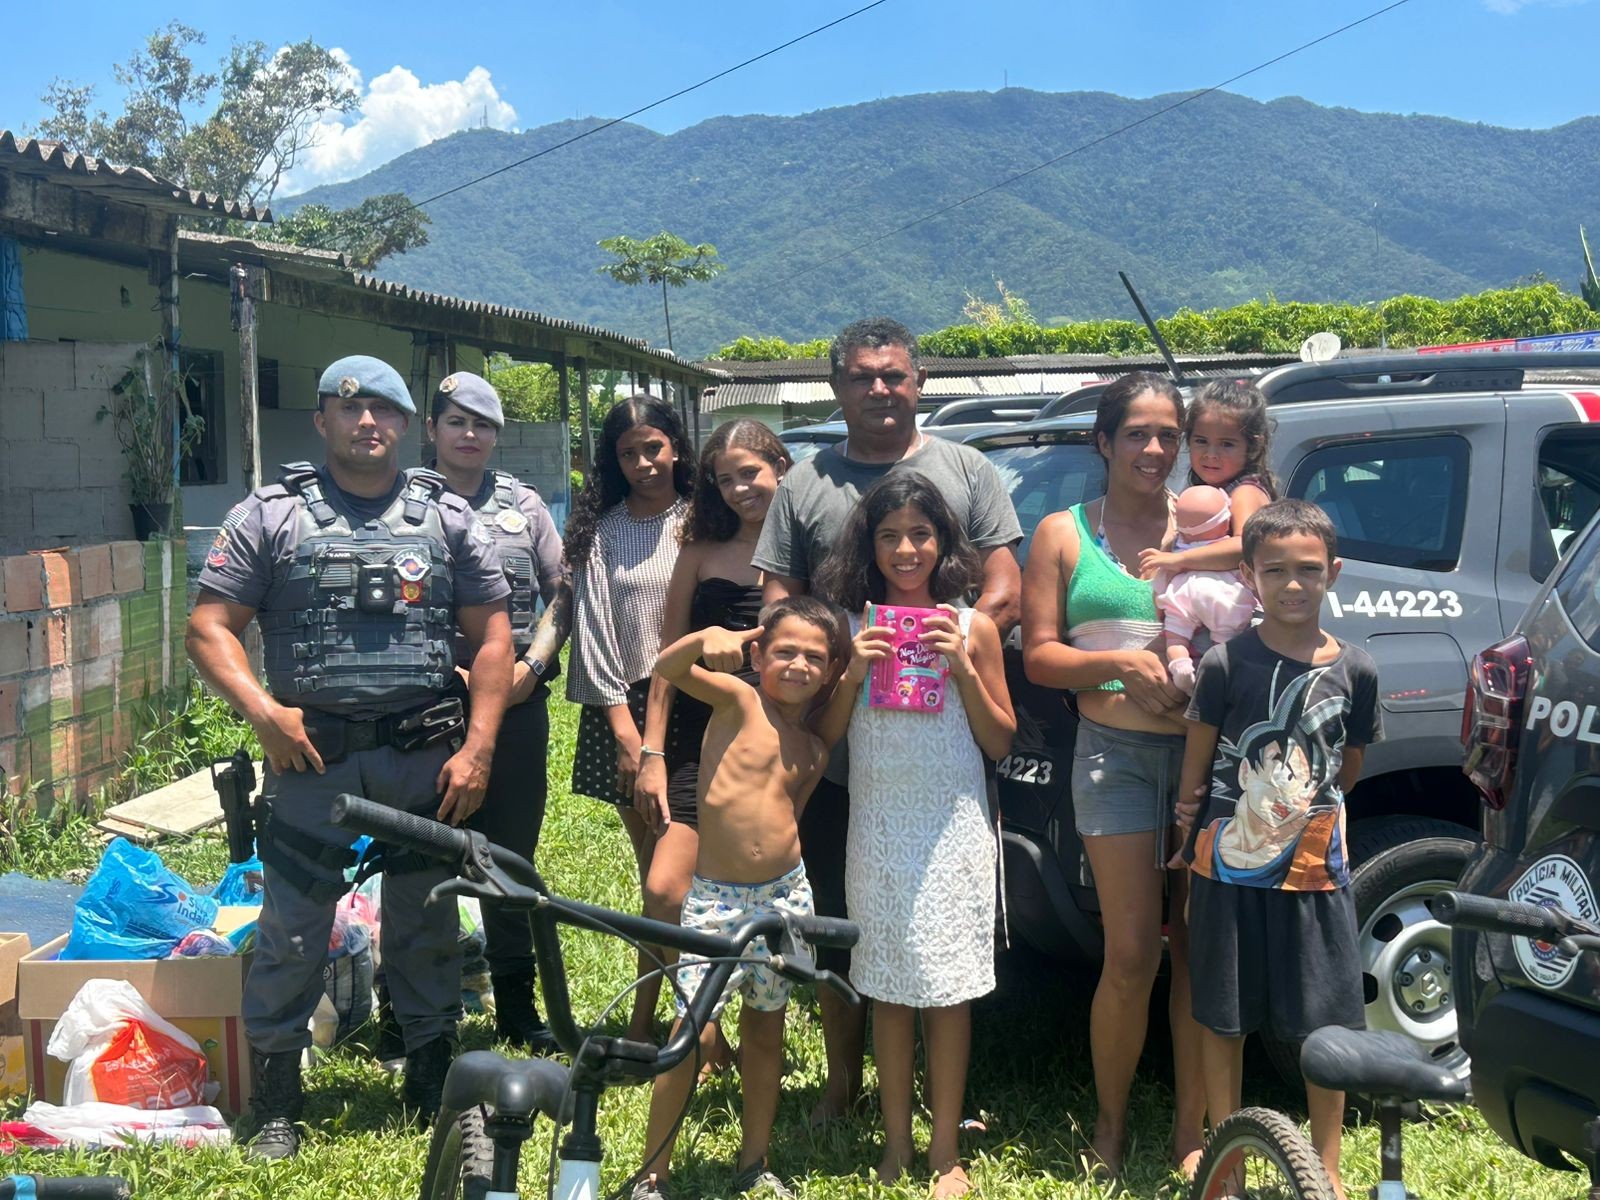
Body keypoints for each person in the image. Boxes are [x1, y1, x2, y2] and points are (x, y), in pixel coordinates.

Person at [185, 355, 513, 1158]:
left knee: (427, 919)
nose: (367, 421)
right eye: (349, 406)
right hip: (311, 761)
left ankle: (430, 1070)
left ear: (406, 426)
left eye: (384, 410)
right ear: (323, 421)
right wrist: (263, 713)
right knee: (294, 926)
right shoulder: (272, 517)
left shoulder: (447, 520)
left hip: (422, 756)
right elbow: (209, 626)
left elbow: (495, 636)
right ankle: (276, 1102)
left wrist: (478, 747)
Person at [754, 316, 1022, 1123]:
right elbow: (779, 603)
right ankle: (844, 1086)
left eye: (894, 375)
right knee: (846, 926)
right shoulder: (805, 483)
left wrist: (959, 647)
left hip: (939, 757)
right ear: (837, 387)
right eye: (862, 376)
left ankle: (935, 1123)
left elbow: (1003, 586)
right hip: (849, 761)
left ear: (919, 381)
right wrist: (834, 666)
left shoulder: (965, 468)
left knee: (932, 947)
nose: (879, 389)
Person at [1018, 371, 1204, 1178]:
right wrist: (1125, 663)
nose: (1155, 450)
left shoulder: (1208, 526)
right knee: (1132, 955)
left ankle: (1194, 1137)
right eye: (1137, 433)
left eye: (1169, 435)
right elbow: (1040, 657)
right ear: (1103, 441)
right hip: (1115, 760)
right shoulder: (1063, 532)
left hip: (1203, 763)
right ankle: (1110, 1124)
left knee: (1197, 952)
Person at [812, 474, 1015, 1198]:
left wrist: (962, 668)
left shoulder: (972, 626)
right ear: (868, 545)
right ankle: (896, 1144)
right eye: (890, 535)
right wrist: (851, 673)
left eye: (921, 534)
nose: (906, 549)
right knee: (890, 990)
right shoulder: (849, 626)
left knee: (947, 991)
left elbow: (999, 741)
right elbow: (827, 737)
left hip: (951, 828)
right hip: (877, 827)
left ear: (945, 542)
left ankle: (944, 1151)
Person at [1171, 500, 1379, 1200]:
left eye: (1309, 571)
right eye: (1276, 571)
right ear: (1249, 576)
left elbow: (1345, 767)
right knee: (1223, 1016)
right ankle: (1227, 1154)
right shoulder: (1228, 662)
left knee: (1324, 1026)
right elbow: (1196, 769)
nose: (1293, 585)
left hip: (1318, 874)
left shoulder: (1358, 668)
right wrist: (1186, 836)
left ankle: (1328, 1166)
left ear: (1335, 574)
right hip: (1226, 870)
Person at [632, 596, 850, 1200]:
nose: (799, 665)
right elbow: (669, 669)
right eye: (785, 651)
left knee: (766, 1027)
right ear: (758, 654)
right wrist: (706, 637)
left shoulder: (813, 750)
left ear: (831, 671)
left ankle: (755, 1161)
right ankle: (653, 1170)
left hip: (785, 898)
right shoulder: (740, 701)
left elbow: (791, 822)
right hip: (717, 899)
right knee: (688, 1028)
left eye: (815, 657)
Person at [635, 420, 793, 1076]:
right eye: (724, 478)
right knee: (667, 890)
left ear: (780, 465)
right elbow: (663, 658)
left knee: (762, 898)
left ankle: (753, 1039)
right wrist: (652, 752)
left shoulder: (804, 548)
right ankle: (697, 1030)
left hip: (772, 740)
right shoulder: (698, 551)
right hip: (695, 739)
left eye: (749, 472)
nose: (737, 489)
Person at [425, 371, 570, 1052]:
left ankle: (516, 1006)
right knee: (421, 857)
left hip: (515, 705)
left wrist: (530, 668)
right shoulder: (402, 505)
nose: (470, 435)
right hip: (423, 705)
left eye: (483, 425)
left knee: (509, 856)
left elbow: (561, 596)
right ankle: (414, 1010)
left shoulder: (524, 507)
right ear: (432, 430)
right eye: (456, 421)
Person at [565, 395, 694, 1040]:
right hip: (623, 706)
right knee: (655, 872)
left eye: (653, 447)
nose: (643, 463)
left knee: (680, 876)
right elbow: (591, 630)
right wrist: (629, 734)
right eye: (627, 453)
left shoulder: (703, 522)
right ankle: (668, 1016)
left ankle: (671, 1017)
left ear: (676, 446)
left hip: (696, 705)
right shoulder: (603, 531)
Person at [1150, 484, 1257, 693]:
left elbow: (1162, 579)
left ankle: (1180, 665)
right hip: (1221, 593)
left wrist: (1159, 606)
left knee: (1175, 637)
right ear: (1225, 522)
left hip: (1181, 593)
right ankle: (1219, 674)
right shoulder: (1223, 548)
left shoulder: (1175, 548)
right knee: (1226, 641)